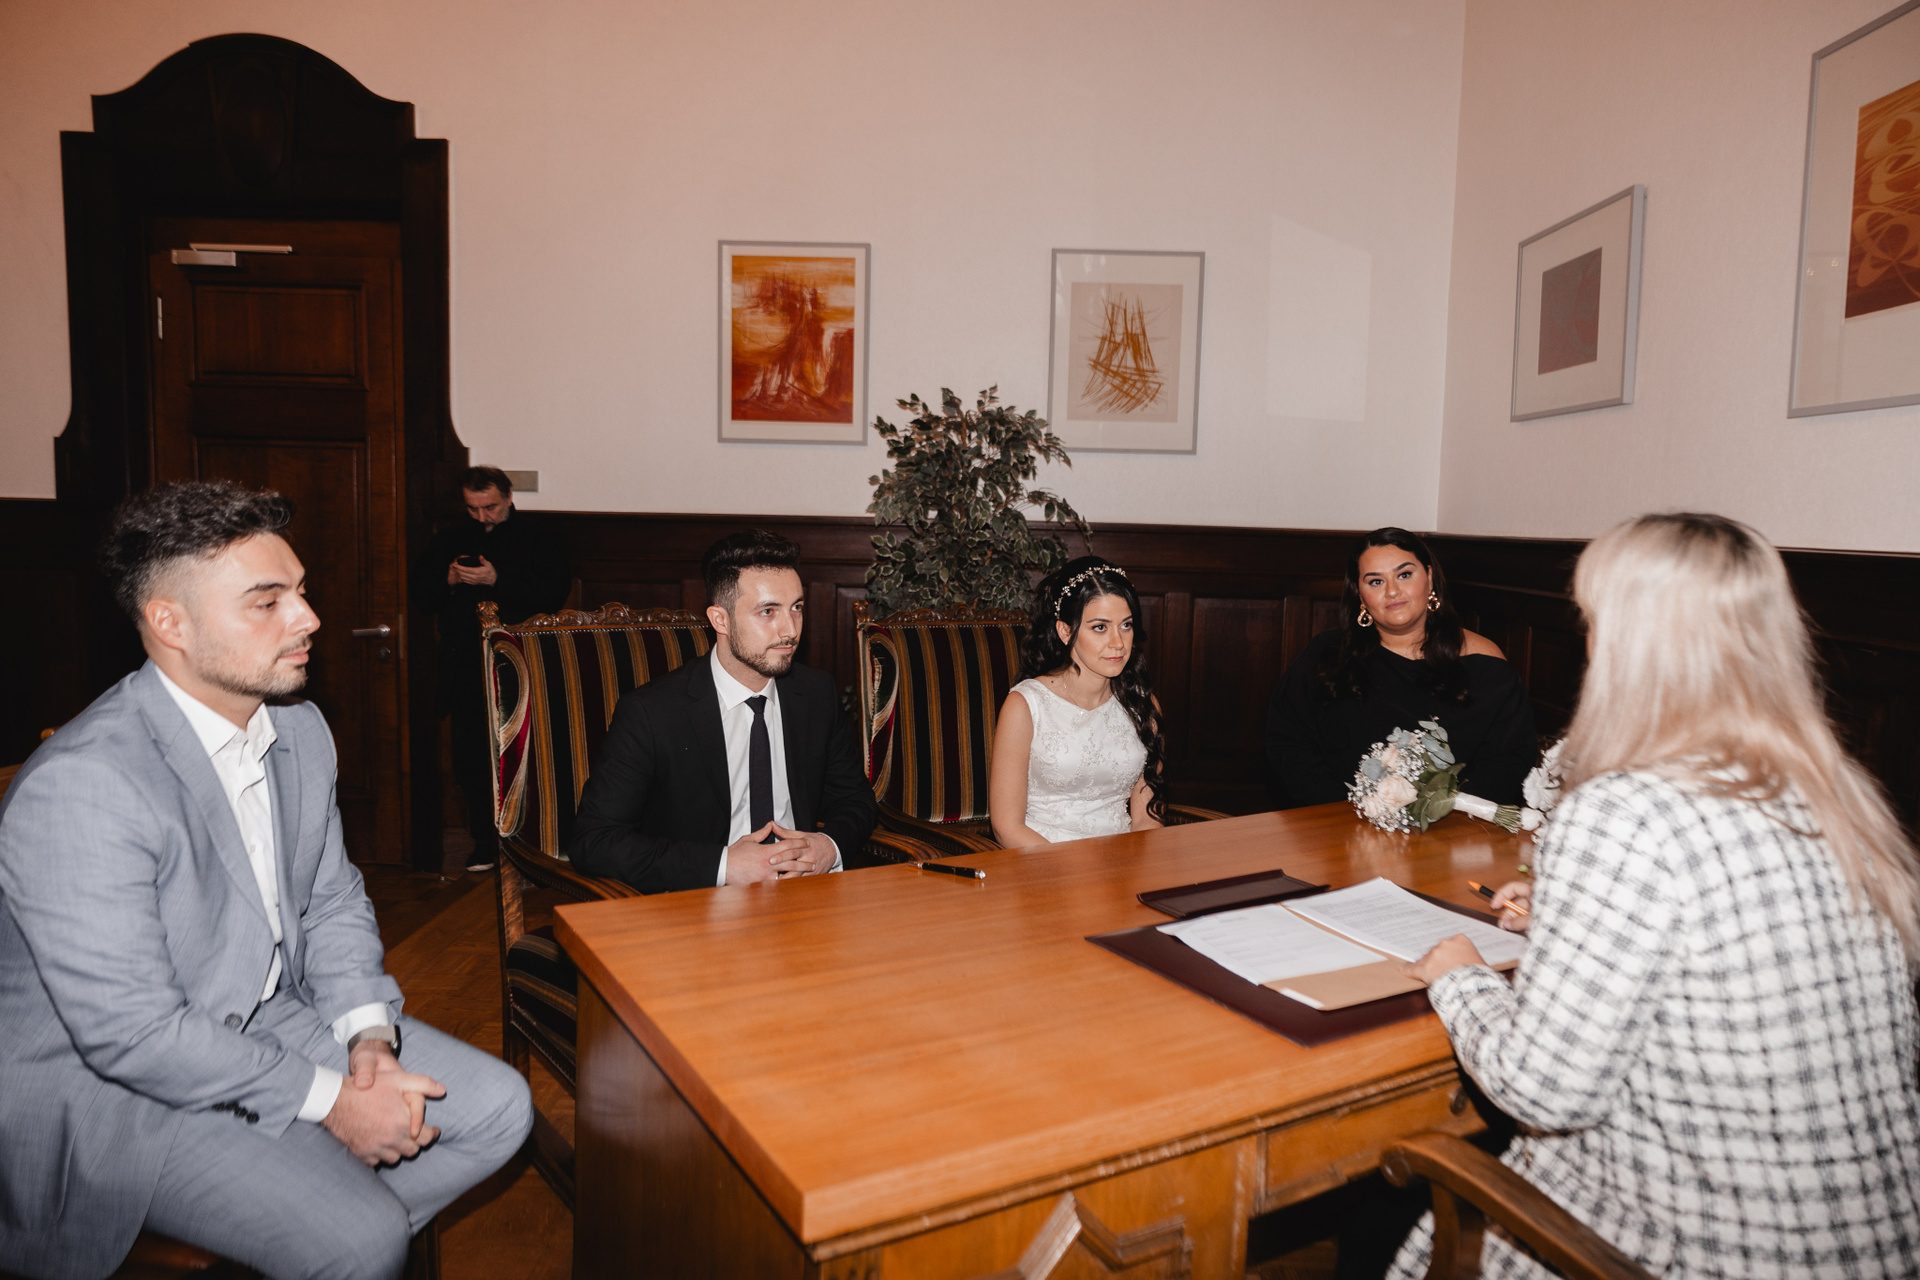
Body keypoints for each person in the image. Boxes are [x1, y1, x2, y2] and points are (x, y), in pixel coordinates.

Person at [0, 482, 532, 1280]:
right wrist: (334, 1102)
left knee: (499, 1111)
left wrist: (369, 1042)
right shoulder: (85, 783)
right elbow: (132, 1035)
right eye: (267, 601)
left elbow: (332, 901)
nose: (308, 618)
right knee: (360, 1237)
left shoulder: (299, 728)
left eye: (302, 591)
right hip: (114, 1092)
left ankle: (316, 1232)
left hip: (263, 1020)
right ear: (170, 624)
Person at [1395, 513, 1920, 1279]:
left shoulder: (1624, 808)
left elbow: (1544, 1090)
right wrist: (1571, 918)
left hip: (1705, 1247)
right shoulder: (1836, 795)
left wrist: (1461, 976)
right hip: (1876, 1243)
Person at [569, 530, 877, 893]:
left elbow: (855, 801)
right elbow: (594, 840)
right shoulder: (652, 712)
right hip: (696, 903)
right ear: (721, 620)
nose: (790, 630)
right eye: (767, 611)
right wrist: (724, 865)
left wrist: (829, 847)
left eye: (796, 607)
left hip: (803, 897)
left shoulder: (815, 694)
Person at [1266, 527, 1536, 809]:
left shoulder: (1485, 665)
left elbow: (1508, 760)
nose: (1392, 591)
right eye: (1375, 581)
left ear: (1429, 578)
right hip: (1336, 820)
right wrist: (1346, 811)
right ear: (1360, 594)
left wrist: (1444, 815)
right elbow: (1288, 743)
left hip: (1456, 827)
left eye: (1404, 575)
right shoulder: (1327, 655)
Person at [410, 466, 569, 872]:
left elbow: (552, 594)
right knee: (471, 758)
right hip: (465, 667)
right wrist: (448, 577)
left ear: (509, 497)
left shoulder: (538, 537)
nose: (482, 517)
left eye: (491, 507)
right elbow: (421, 596)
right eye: (473, 508)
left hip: (524, 663)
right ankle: (485, 842)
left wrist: (497, 578)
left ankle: (534, 843)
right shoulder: (450, 538)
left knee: (528, 753)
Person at [989, 556, 1166, 846]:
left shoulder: (1142, 706)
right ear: (1065, 631)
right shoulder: (1025, 706)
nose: (1118, 643)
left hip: (1122, 863)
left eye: (1126, 625)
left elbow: (1147, 818)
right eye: (1100, 627)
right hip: (1042, 862)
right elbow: (1006, 827)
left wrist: (1132, 866)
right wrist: (1071, 871)